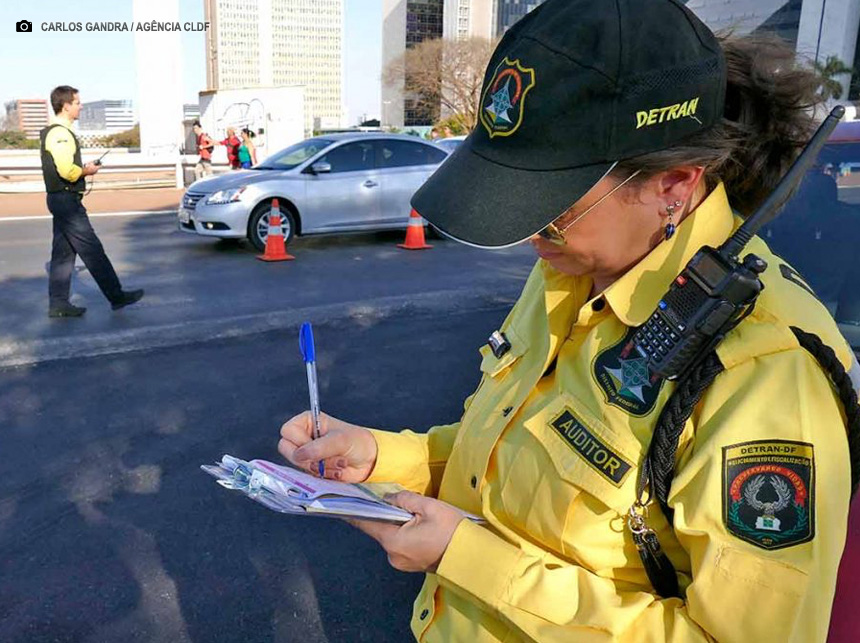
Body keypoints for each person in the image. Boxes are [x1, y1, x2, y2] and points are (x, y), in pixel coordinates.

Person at [278, 1, 860, 641]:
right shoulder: (571, 269)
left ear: (675, 184)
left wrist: (465, 556)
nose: (531, 233)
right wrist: (385, 457)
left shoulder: (768, 372)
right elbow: (510, 453)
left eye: (551, 206)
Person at [40, 85, 144, 318]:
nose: (81, 106)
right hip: (67, 200)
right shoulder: (60, 133)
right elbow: (67, 171)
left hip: (60, 199)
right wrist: (87, 171)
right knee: (92, 250)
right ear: (66, 106)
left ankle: (58, 305)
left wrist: (83, 170)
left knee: (63, 255)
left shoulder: (55, 132)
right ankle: (116, 296)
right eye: (77, 102)